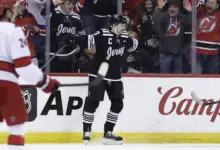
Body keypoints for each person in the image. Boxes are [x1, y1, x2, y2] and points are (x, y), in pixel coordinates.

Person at [64, 14, 138, 145]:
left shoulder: (125, 36)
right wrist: (74, 38)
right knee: (93, 102)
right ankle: (86, 130)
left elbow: (133, 45)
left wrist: (146, 41)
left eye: (124, 25)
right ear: (113, 25)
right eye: (121, 25)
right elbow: (88, 40)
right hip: (98, 74)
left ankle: (108, 132)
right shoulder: (102, 33)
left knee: (118, 103)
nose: (123, 28)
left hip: (115, 75)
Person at [0, 3, 60, 150]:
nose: (15, 13)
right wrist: (46, 83)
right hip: (5, 84)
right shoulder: (13, 31)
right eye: (13, 10)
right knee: (16, 128)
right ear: (7, 12)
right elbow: (24, 66)